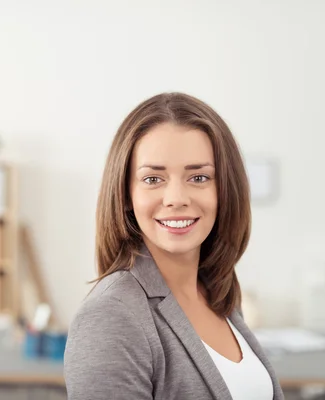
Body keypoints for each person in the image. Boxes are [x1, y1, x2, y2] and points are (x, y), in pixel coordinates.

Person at [63, 92, 284, 400]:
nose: (177, 198)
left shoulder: (218, 292)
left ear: (224, 190)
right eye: (153, 179)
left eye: (199, 177)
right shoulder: (111, 316)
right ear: (126, 194)